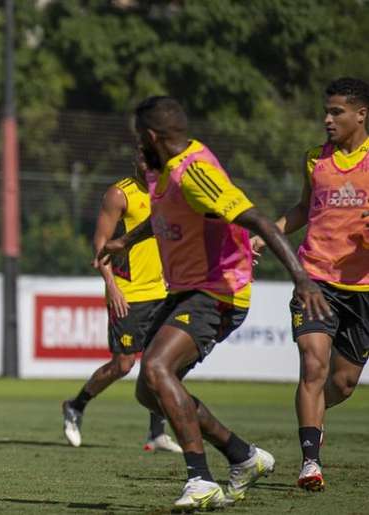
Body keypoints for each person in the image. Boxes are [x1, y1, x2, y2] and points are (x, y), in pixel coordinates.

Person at [97, 96, 331, 510]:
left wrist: (302, 279)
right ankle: (243, 456)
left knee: (156, 367)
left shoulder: (195, 172)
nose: (136, 147)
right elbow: (164, 215)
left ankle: (200, 479)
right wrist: (127, 240)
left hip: (221, 290)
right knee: (150, 393)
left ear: (152, 137)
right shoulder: (163, 172)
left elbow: (256, 220)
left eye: (139, 139)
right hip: (187, 289)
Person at [252, 77, 369, 492]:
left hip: (363, 288)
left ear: (361, 114)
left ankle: (315, 416)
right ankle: (310, 462)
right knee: (313, 366)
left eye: (336, 112)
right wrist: (268, 235)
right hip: (314, 278)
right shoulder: (313, 161)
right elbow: (304, 208)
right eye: (326, 111)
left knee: (343, 383)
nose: (327, 119)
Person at [62, 153, 181, 454]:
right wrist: (112, 286)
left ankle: (157, 433)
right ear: (134, 163)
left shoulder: (168, 190)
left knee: (162, 362)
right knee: (124, 365)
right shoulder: (120, 194)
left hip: (163, 291)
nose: (148, 167)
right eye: (143, 161)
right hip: (129, 293)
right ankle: (76, 406)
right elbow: (101, 244)